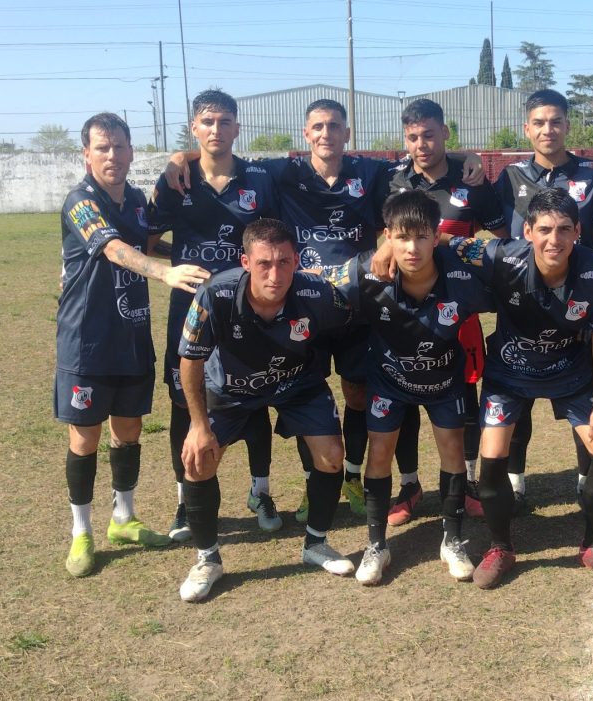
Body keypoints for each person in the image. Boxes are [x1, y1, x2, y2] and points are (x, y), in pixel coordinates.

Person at [165, 99, 484, 524]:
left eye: (334, 126)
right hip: (301, 303)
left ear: (346, 133)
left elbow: (422, 158)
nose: (325, 134)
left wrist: (465, 155)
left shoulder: (370, 171)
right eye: (317, 127)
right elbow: (224, 154)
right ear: (306, 133)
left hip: (355, 304)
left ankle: (352, 476)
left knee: (361, 392)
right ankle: (311, 483)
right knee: (303, 390)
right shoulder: (284, 171)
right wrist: (181, 155)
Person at [446, 188, 593, 589]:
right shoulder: (501, 255)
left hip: (571, 373)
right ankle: (500, 547)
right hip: (509, 374)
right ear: (527, 231)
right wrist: (388, 248)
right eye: (544, 229)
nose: (554, 240)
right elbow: (446, 240)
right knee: (493, 453)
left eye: (564, 229)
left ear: (577, 231)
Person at [56, 112, 210, 578]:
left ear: (130, 151)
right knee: (85, 438)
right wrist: (165, 273)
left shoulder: (139, 200)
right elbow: (114, 249)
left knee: (129, 431)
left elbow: (143, 242)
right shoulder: (80, 201)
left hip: (132, 334)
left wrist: (189, 256)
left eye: (119, 146)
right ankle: (81, 531)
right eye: (102, 148)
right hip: (87, 339)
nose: (112, 156)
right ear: (86, 154)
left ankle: (123, 518)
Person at [176, 218, 355, 602]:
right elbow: (190, 359)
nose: (275, 275)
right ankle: (207, 559)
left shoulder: (318, 293)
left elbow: (353, 317)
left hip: (297, 383)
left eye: (284, 262)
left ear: (297, 261)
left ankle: (316, 544)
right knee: (199, 461)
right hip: (232, 389)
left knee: (331, 457)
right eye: (264, 264)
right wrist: (198, 425)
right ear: (245, 262)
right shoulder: (215, 294)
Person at [328, 190, 495, 585]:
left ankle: (452, 541)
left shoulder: (463, 273)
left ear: (436, 236)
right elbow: (313, 286)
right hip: (390, 380)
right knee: (379, 454)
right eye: (402, 238)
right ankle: (376, 545)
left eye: (422, 237)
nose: (412, 248)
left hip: (445, 380)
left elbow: (514, 257)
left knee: (453, 451)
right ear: (387, 236)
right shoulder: (365, 271)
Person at [150, 89, 281, 541]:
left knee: (253, 397)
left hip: (247, 309)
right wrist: (179, 262)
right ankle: (186, 502)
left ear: (237, 128)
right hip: (188, 309)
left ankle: (261, 491)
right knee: (183, 402)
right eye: (207, 121)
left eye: (225, 121)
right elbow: (148, 241)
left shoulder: (261, 178)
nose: (216, 129)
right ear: (194, 128)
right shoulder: (175, 181)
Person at [384, 98, 508, 525]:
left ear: (445, 134)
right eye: (413, 137)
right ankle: (409, 484)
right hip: (404, 308)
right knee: (403, 396)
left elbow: (503, 237)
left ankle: (467, 481)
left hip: (457, 308)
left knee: (463, 393)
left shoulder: (471, 178)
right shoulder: (393, 179)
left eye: (429, 135)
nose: (421, 144)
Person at [493, 88, 593, 513]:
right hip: (521, 300)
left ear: (567, 126)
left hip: (578, 299)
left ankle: (585, 479)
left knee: (581, 391)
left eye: (556, 121)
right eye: (539, 123)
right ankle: (515, 480)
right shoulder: (509, 178)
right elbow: (498, 234)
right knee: (516, 393)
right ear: (527, 129)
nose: (548, 129)